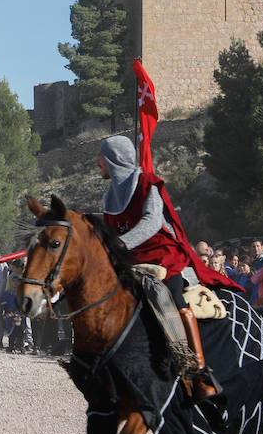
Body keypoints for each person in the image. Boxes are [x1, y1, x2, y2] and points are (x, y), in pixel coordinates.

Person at [96, 135, 239, 394]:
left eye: (101, 158)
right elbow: (108, 231)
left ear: (113, 160)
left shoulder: (146, 184)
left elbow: (151, 222)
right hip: (131, 258)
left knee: (171, 296)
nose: (98, 164)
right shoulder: (109, 198)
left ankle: (197, 369)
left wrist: (122, 243)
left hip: (162, 254)